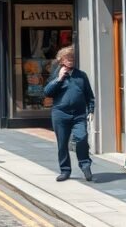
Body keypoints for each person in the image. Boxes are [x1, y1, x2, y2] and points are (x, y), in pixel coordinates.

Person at [43, 45, 95, 181]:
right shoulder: (56, 74)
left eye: (72, 57)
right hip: (60, 114)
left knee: (82, 138)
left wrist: (91, 110)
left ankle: (85, 166)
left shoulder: (81, 75)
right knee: (62, 143)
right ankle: (65, 171)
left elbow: (89, 95)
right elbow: (47, 92)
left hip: (78, 114)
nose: (71, 60)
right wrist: (59, 79)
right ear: (61, 60)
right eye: (68, 58)